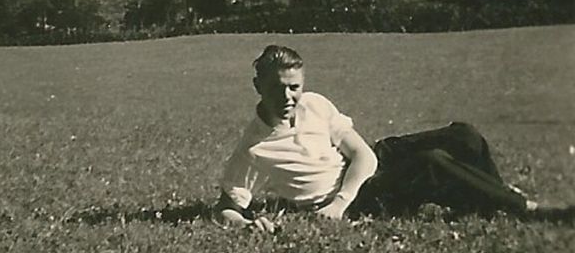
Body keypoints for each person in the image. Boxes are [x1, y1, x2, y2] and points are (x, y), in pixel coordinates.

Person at [216, 45, 564, 232]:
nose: (289, 97)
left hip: (360, 170)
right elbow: (226, 208)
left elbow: (364, 155)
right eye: (278, 89)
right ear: (258, 87)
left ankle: (493, 198)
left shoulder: (314, 103)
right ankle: (530, 210)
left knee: (464, 136)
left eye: (295, 87)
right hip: (358, 198)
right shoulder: (254, 147)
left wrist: (341, 197)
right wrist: (248, 225)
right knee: (431, 164)